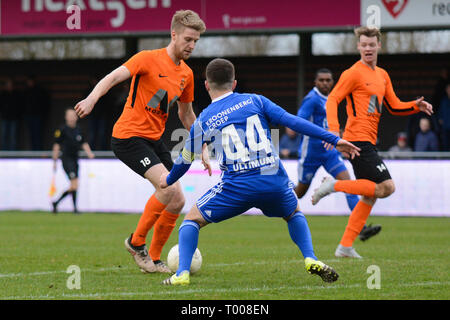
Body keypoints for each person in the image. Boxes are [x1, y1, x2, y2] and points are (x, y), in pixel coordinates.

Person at [158, 58, 361, 286]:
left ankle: (181, 273)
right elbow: (293, 122)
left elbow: (186, 160)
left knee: (191, 221)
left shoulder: (203, 119)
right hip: (272, 180)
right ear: (234, 83)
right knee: (293, 213)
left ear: (206, 85)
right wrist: (334, 139)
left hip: (237, 187)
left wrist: (168, 179)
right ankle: (310, 258)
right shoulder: (256, 100)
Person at [74, 10, 210, 274]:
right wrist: (91, 98)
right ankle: (136, 244)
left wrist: (202, 145)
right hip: (128, 137)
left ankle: (154, 260)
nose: (192, 45)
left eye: (196, 41)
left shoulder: (187, 75)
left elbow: (186, 114)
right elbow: (113, 77)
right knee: (167, 188)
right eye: (188, 39)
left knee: (177, 199)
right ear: (174, 35)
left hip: (154, 140)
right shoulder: (147, 58)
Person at [311, 26, 433, 258]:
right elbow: (333, 99)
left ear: (379, 45)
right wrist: (335, 133)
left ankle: (345, 246)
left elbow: (394, 105)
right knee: (387, 187)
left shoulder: (382, 75)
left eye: (371, 44)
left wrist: (415, 106)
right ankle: (333, 185)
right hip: (357, 141)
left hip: (369, 141)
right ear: (358, 46)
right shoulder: (352, 73)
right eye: (363, 44)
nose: (368, 48)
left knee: (371, 194)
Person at [295, 68, 381, 242]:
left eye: (328, 80)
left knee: (348, 184)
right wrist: (321, 133)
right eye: (322, 80)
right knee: (299, 193)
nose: (325, 83)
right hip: (310, 154)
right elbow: (298, 122)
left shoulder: (331, 98)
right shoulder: (311, 100)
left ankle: (361, 228)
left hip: (330, 153)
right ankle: (275, 196)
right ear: (315, 82)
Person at [52, 109, 95, 213]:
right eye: (69, 115)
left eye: (73, 115)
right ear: (66, 117)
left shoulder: (79, 130)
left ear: (76, 117)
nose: (71, 117)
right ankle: (59, 203)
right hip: (67, 160)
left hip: (75, 159)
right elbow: (57, 145)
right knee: (74, 184)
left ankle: (71, 207)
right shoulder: (62, 130)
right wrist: (54, 161)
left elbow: (83, 142)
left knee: (75, 185)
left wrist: (89, 153)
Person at [0, 78, 20, 150]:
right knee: (3, 136)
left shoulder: (16, 94)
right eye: (8, 85)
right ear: (6, 86)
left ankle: (12, 153)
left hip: (14, 118)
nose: (9, 86)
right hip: (5, 118)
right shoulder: (3, 94)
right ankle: (4, 153)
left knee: (13, 137)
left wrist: (17, 114)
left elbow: (19, 106)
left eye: (10, 85)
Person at [437, 83, 450, 151]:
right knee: (445, 145)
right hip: (445, 128)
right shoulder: (443, 101)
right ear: (446, 90)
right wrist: (440, 120)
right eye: (448, 89)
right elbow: (440, 114)